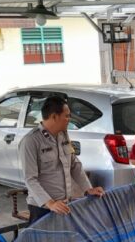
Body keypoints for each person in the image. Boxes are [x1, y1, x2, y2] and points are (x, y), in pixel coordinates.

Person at [21, 95, 105, 223]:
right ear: (54, 117)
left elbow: (74, 164)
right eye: (66, 116)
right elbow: (30, 179)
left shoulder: (63, 135)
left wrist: (88, 189)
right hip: (42, 208)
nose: (69, 119)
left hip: (64, 204)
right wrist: (50, 203)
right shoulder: (31, 141)